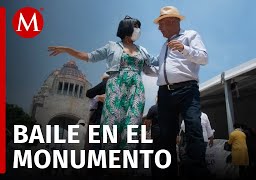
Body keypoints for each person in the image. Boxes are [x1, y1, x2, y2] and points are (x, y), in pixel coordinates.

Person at [48, 16, 157, 174]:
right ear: (126, 28)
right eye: (135, 26)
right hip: (116, 88)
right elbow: (88, 56)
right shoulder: (112, 46)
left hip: (136, 89)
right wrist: (67, 50)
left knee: (132, 127)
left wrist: (175, 52)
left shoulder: (142, 50)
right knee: (111, 127)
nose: (138, 30)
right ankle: (108, 168)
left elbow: (156, 61)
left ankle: (126, 168)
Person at [152, 6, 209, 176]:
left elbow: (204, 58)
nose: (158, 28)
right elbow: (161, 69)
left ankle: (195, 172)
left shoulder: (190, 35)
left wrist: (184, 49)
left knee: (193, 128)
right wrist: (142, 66)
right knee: (164, 136)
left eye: (160, 24)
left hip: (187, 90)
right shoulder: (164, 46)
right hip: (165, 93)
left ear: (170, 22)